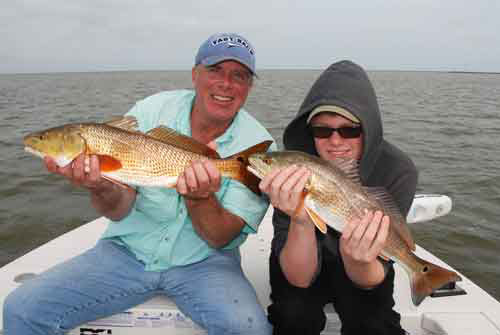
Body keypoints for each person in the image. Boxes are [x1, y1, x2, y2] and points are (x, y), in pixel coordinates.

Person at [4, 33, 275, 335]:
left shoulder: (258, 147)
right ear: (196, 73)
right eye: (215, 70)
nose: (226, 83)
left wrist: (200, 198)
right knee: (20, 310)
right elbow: (119, 209)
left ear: (249, 86)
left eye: (239, 75)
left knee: (249, 328)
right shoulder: (151, 109)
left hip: (206, 262)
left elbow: (220, 237)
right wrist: (100, 185)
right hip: (127, 251)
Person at [259, 60, 417, 335]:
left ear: (368, 128)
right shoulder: (294, 169)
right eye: (322, 130)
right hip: (302, 257)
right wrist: (300, 220)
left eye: (349, 130)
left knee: (376, 325)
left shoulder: (398, 170)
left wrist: (358, 259)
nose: (335, 141)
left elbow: (372, 278)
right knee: (293, 317)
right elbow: (298, 279)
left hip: (367, 263)